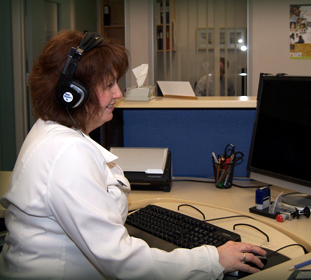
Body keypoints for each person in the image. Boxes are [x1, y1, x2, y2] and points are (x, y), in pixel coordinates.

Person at [0, 30, 266, 280]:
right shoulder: (68, 154)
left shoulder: (49, 130)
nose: (118, 93)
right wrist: (213, 259)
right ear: (73, 96)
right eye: (109, 84)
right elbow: (122, 261)